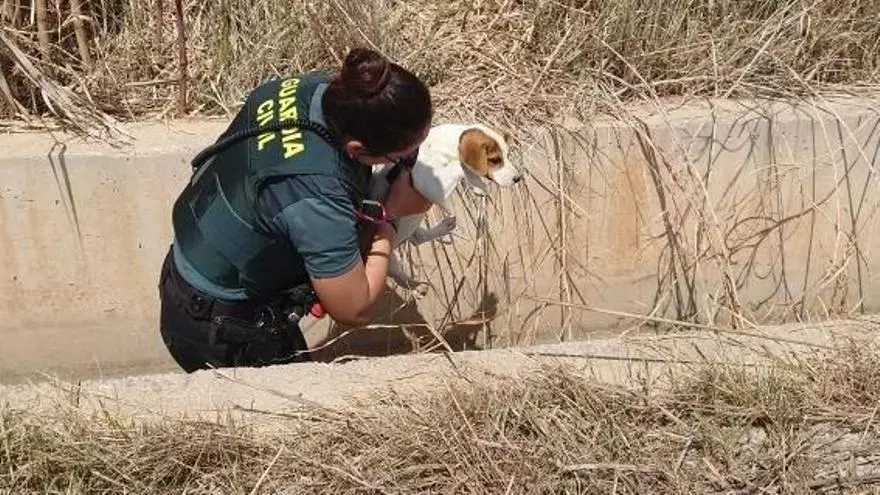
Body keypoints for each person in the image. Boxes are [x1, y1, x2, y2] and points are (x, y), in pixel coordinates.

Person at [158, 47, 433, 372]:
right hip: (221, 327)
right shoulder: (313, 194)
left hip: (190, 273)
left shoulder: (312, 90)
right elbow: (353, 309)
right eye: (402, 159)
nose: (408, 164)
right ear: (357, 148)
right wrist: (388, 219)